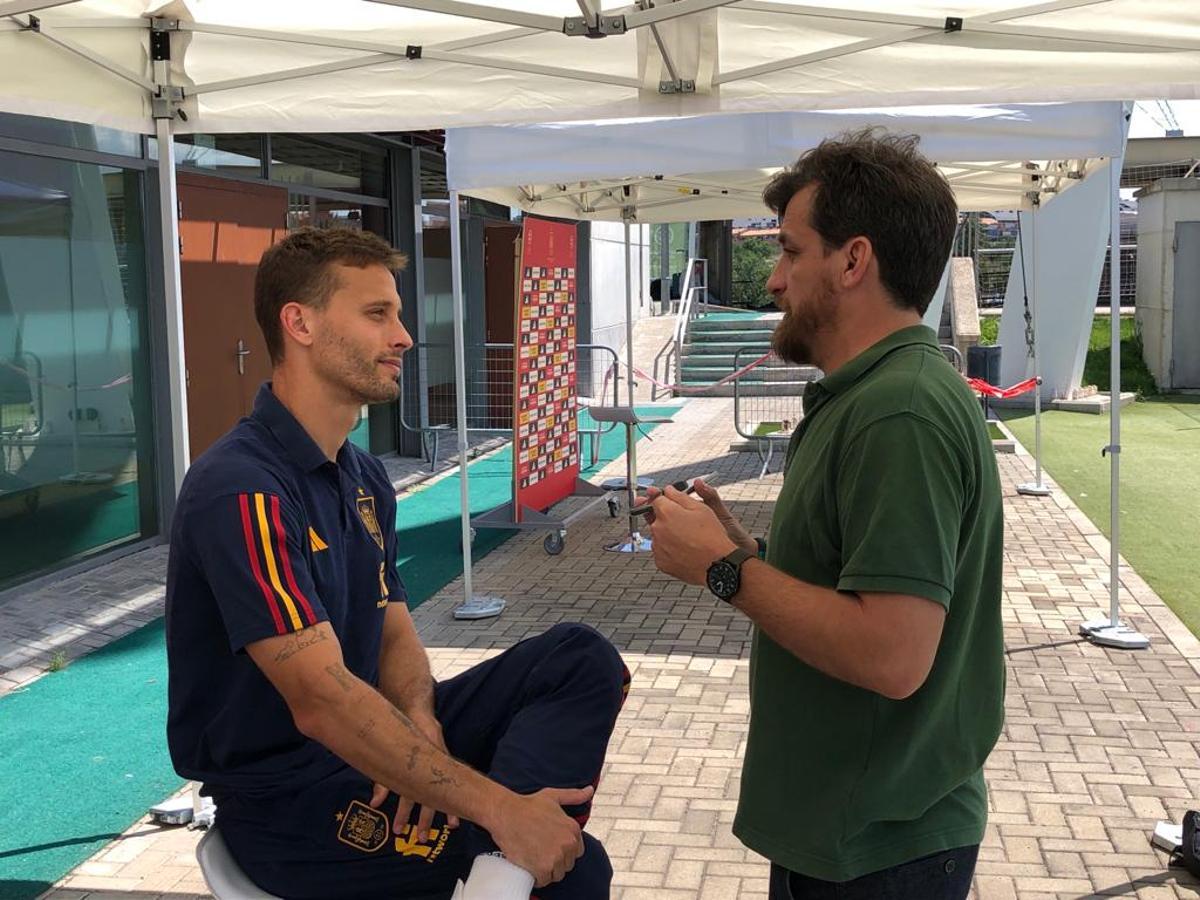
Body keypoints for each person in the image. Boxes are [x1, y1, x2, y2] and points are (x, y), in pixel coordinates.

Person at [165, 228, 628, 900]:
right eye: (378, 314)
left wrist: (419, 716)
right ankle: (507, 853)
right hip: (287, 799)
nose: (405, 337)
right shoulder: (242, 489)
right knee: (576, 872)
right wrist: (494, 805)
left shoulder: (362, 475)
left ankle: (504, 863)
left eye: (398, 315)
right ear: (299, 322)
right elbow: (323, 702)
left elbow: (393, 629)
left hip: (369, 743)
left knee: (578, 658)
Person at [641, 130, 1005, 899]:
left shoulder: (896, 411)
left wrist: (724, 569)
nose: (773, 280)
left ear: (852, 261)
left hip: (877, 849)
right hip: (861, 834)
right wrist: (749, 550)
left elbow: (892, 656)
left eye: (789, 251)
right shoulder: (875, 396)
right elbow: (859, 587)